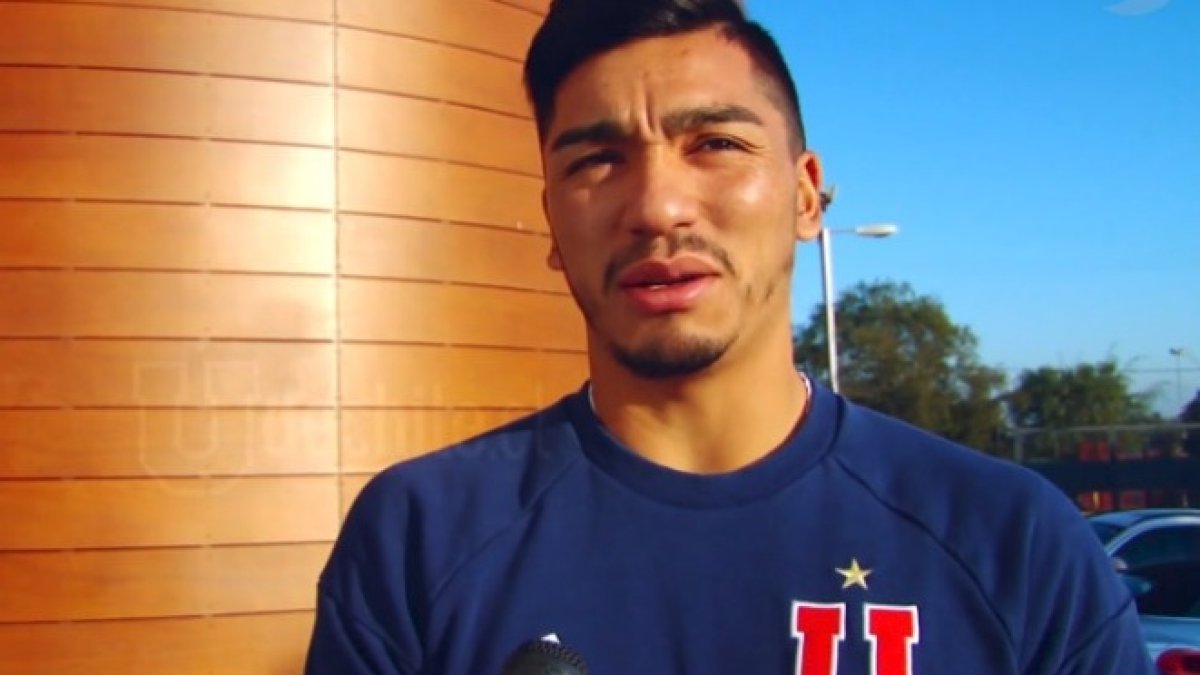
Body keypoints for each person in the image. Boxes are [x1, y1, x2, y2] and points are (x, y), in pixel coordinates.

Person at [305, 0, 1154, 673]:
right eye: (596, 161)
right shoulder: (421, 536)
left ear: (807, 194)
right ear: (553, 226)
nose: (656, 207)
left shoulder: (1010, 541)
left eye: (714, 142)